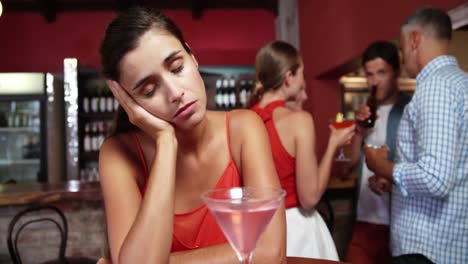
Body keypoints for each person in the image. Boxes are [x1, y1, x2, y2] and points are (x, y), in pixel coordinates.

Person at [98, 7, 286, 264]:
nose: (175, 92)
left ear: (192, 56)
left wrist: (167, 261)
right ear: (129, 101)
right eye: (150, 90)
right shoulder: (119, 154)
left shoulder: (244, 128)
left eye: (176, 68)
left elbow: (270, 254)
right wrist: (165, 141)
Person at [364, 7, 468, 264]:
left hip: (428, 247)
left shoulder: (436, 87)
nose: (402, 57)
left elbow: (435, 178)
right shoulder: (461, 82)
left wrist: (382, 166)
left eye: (401, 49)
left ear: (414, 40)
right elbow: (453, 171)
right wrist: (395, 181)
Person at [250, 40, 355, 260]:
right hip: (294, 229)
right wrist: (333, 144)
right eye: (302, 74)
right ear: (289, 77)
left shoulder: (241, 118)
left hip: (255, 232)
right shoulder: (299, 121)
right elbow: (310, 197)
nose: (303, 81)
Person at [341, 41, 411, 264]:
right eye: (369, 75)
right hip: (364, 220)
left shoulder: (411, 111)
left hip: (401, 224)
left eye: (382, 73)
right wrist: (359, 133)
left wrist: (389, 180)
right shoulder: (365, 113)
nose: (374, 82)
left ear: (396, 72)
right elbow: (344, 165)